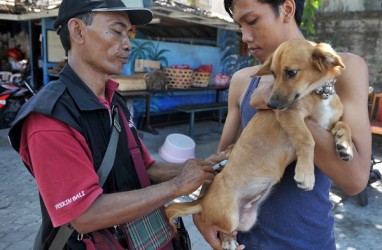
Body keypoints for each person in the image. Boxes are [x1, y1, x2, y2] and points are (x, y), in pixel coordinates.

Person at [8, 0, 226, 249]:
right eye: (116, 30)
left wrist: (199, 169)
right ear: (77, 31)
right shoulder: (50, 118)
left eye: (129, 33)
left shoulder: (114, 100)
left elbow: (143, 168)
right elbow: (84, 215)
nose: (127, 43)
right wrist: (176, 186)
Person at [193, 0, 372, 249]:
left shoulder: (341, 68)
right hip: (245, 240)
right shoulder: (243, 80)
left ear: (287, 9)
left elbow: (355, 179)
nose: (245, 37)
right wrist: (203, 206)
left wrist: (279, 101)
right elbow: (222, 159)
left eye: (252, 21)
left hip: (309, 241)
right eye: (239, 26)